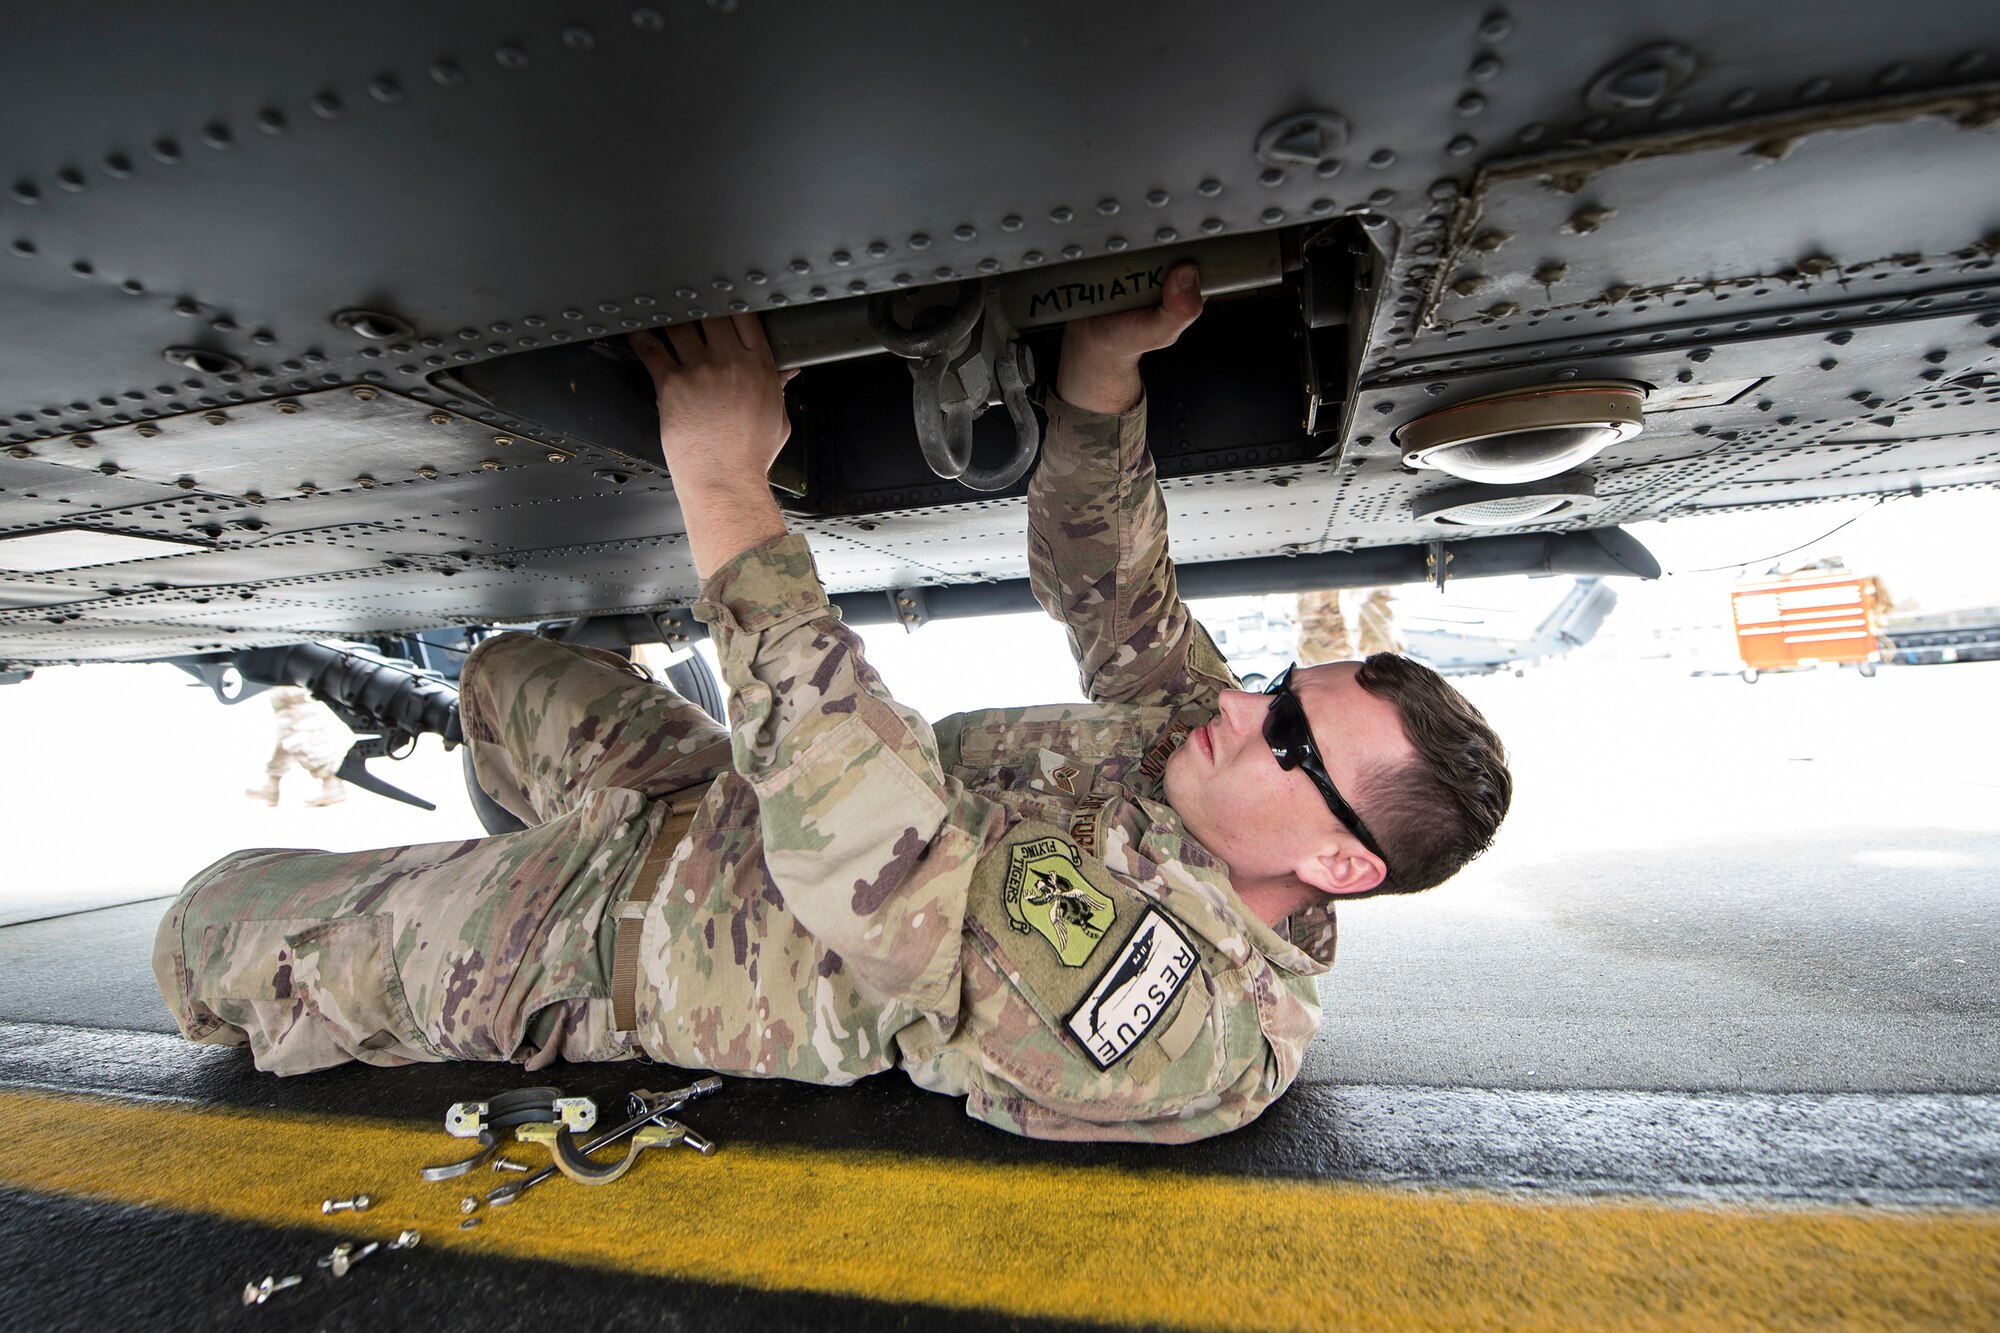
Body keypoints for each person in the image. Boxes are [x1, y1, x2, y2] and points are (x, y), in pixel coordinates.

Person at [154, 263, 1510, 1142]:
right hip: (708, 799)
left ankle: (460, 928)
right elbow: (1120, 597)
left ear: (1340, 860)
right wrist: (1103, 373)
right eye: (1280, 684)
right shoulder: (1212, 759)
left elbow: (887, 860)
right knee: (507, 675)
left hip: (619, 938)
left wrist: (726, 490)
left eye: (1287, 731)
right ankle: (488, 857)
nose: (1241, 705)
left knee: (204, 928)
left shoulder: (1180, 1018)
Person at [243, 686, 349, 808]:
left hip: (287, 683)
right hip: (283, 682)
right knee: (286, 735)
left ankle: (331, 783)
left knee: (296, 730)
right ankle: (271, 785)